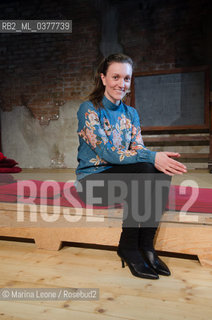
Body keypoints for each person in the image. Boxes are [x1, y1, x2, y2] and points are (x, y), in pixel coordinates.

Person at [75, 53, 187, 280]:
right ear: (103, 78)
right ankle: (128, 246)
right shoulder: (88, 109)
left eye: (126, 78)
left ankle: (146, 247)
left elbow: (137, 149)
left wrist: (155, 159)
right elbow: (107, 153)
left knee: (156, 169)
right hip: (92, 182)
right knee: (147, 168)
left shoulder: (131, 113)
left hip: (121, 177)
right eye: (116, 77)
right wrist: (152, 156)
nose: (121, 83)